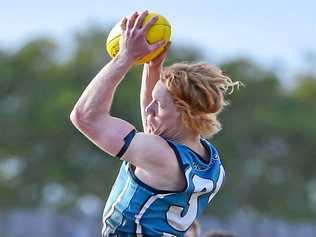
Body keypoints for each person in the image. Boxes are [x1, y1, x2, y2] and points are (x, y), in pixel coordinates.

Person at [70, 10, 241, 236]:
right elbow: (154, 131)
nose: (149, 108)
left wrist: (124, 58)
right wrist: (152, 66)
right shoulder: (212, 164)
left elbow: (85, 116)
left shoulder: (160, 156)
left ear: (184, 113)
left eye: (158, 105)